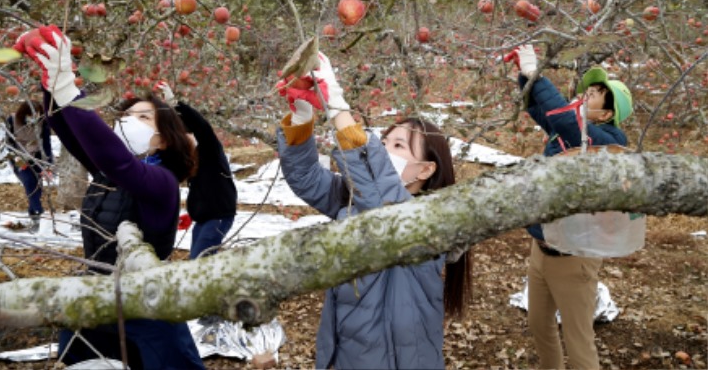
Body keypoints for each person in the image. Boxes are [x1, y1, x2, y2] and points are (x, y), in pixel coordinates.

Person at [14, 25, 204, 370]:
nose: (130, 121)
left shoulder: (161, 182)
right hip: (96, 297)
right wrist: (52, 86)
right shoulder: (107, 172)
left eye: (143, 117)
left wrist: (67, 87)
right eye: (127, 115)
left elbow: (118, 161)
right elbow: (69, 132)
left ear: (162, 140)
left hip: (145, 304)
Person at [275, 52, 471, 369]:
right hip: (344, 355)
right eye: (383, 141)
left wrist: (337, 104)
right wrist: (302, 114)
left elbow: (386, 204)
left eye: (397, 146)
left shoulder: (435, 225)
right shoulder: (356, 199)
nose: (383, 149)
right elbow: (307, 179)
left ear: (425, 170)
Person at [509, 44, 633, 370]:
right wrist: (526, 79)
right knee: (539, 325)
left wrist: (538, 73)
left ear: (606, 114)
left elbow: (565, 121)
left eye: (591, 96)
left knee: (578, 342)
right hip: (543, 247)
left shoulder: (606, 142)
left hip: (575, 257)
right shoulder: (567, 136)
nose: (583, 96)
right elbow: (543, 112)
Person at [155, 81, 237, 259]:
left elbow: (202, 126)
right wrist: (193, 214)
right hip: (204, 218)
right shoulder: (191, 159)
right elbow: (203, 190)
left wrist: (175, 103)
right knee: (200, 260)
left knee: (198, 261)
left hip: (219, 216)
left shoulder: (210, 150)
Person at [5, 100, 53, 233]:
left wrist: (48, 165)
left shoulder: (42, 122)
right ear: (23, 114)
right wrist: (18, 158)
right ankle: (38, 212)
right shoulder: (12, 120)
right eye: (30, 115)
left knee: (37, 187)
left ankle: (34, 217)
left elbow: (46, 144)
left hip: (37, 157)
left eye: (36, 115)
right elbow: (8, 144)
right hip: (18, 158)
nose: (33, 118)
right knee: (29, 182)